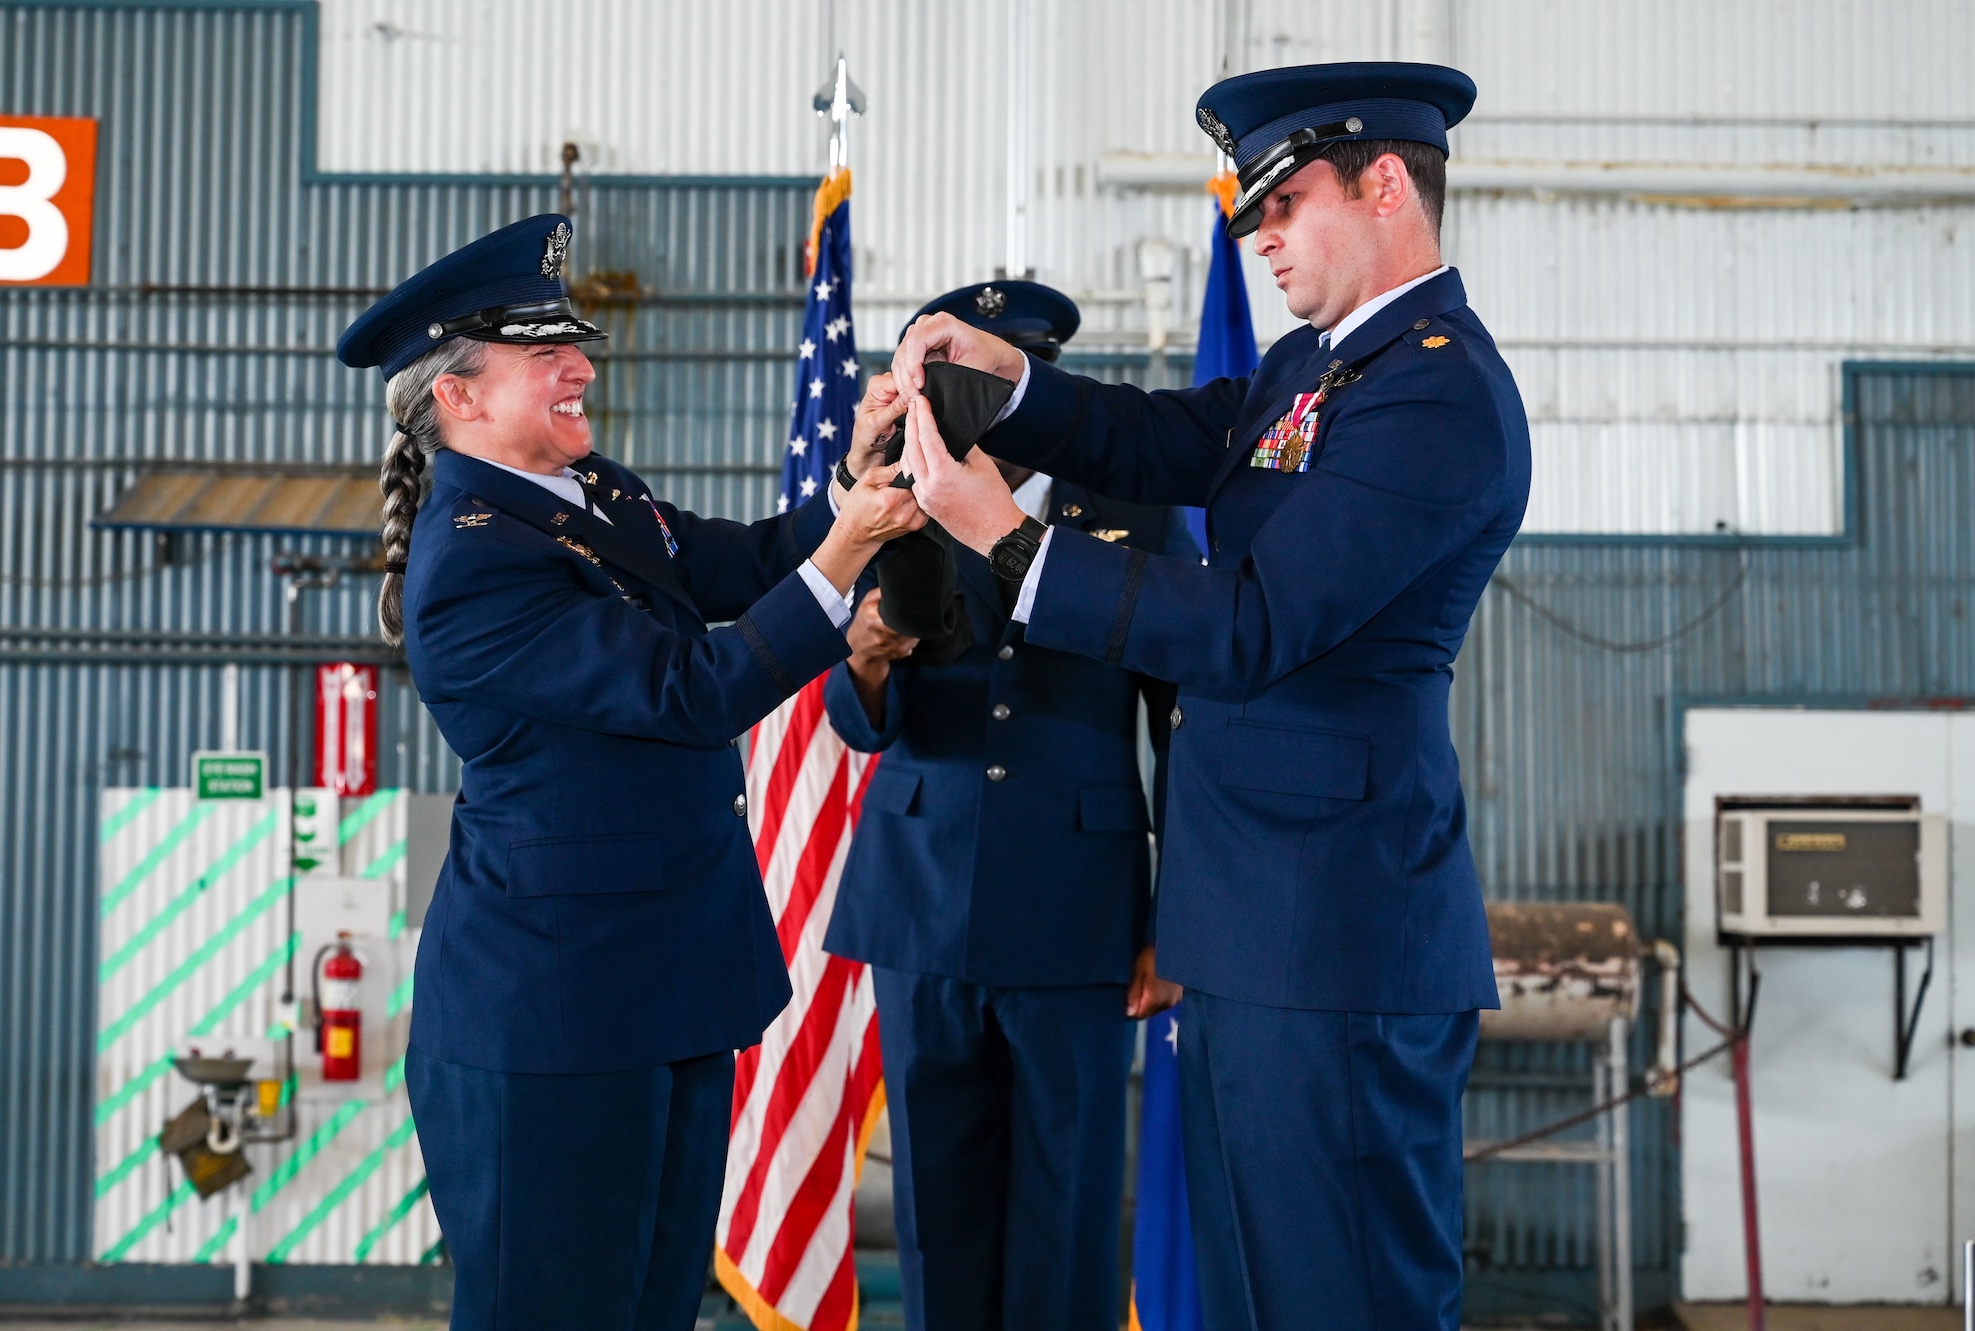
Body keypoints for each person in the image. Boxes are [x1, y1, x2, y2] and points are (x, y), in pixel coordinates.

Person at [889, 64, 1531, 1331]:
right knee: (1250, 1292)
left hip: (1334, 932)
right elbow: (1154, 438)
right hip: (1253, 921)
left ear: (1385, 182)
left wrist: (1006, 545)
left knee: (1341, 1293)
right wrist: (1006, 379)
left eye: (1286, 204)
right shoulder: (1314, 363)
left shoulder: (1434, 389)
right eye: (1255, 217)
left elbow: (1246, 627)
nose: (1265, 240)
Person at [333, 214, 923, 1331]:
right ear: (457, 395)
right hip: (553, 1016)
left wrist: (852, 470)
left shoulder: (583, 489)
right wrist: (847, 550)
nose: (581, 366)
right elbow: (687, 690)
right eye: (543, 351)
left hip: (668, 985)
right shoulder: (472, 564)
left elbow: (740, 563)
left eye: (573, 342)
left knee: (651, 1308)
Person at [822, 281, 1195, 1331]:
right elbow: (857, 723)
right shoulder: (885, 499)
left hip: (1077, 911)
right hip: (919, 898)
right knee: (936, 1202)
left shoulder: (1124, 514)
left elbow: (1183, 725)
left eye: (1000, 389)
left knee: (1066, 1200)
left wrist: (1173, 923)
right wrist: (861, 662)